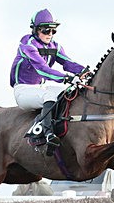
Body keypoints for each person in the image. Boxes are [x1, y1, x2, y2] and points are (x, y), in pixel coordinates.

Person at [10, 8, 88, 154]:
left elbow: (68, 63)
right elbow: (42, 70)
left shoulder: (55, 46)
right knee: (50, 96)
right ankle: (46, 133)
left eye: (53, 31)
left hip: (40, 88)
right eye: (46, 30)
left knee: (69, 92)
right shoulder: (27, 45)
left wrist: (84, 71)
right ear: (36, 30)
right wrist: (67, 77)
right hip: (23, 90)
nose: (50, 34)